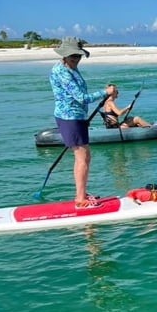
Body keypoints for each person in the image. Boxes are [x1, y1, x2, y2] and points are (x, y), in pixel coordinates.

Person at [49, 36, 109, 209]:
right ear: (64, 55)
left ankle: (80, 193)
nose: (76, 59)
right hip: (70, 118)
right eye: (73, 56)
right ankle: (81, 201)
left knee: (84, 157)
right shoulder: (61, 72)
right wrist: (104, 93)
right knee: (82, 158)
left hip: (77, 117)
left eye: (78, 56)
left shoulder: (71, 68)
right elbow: (81, 98)